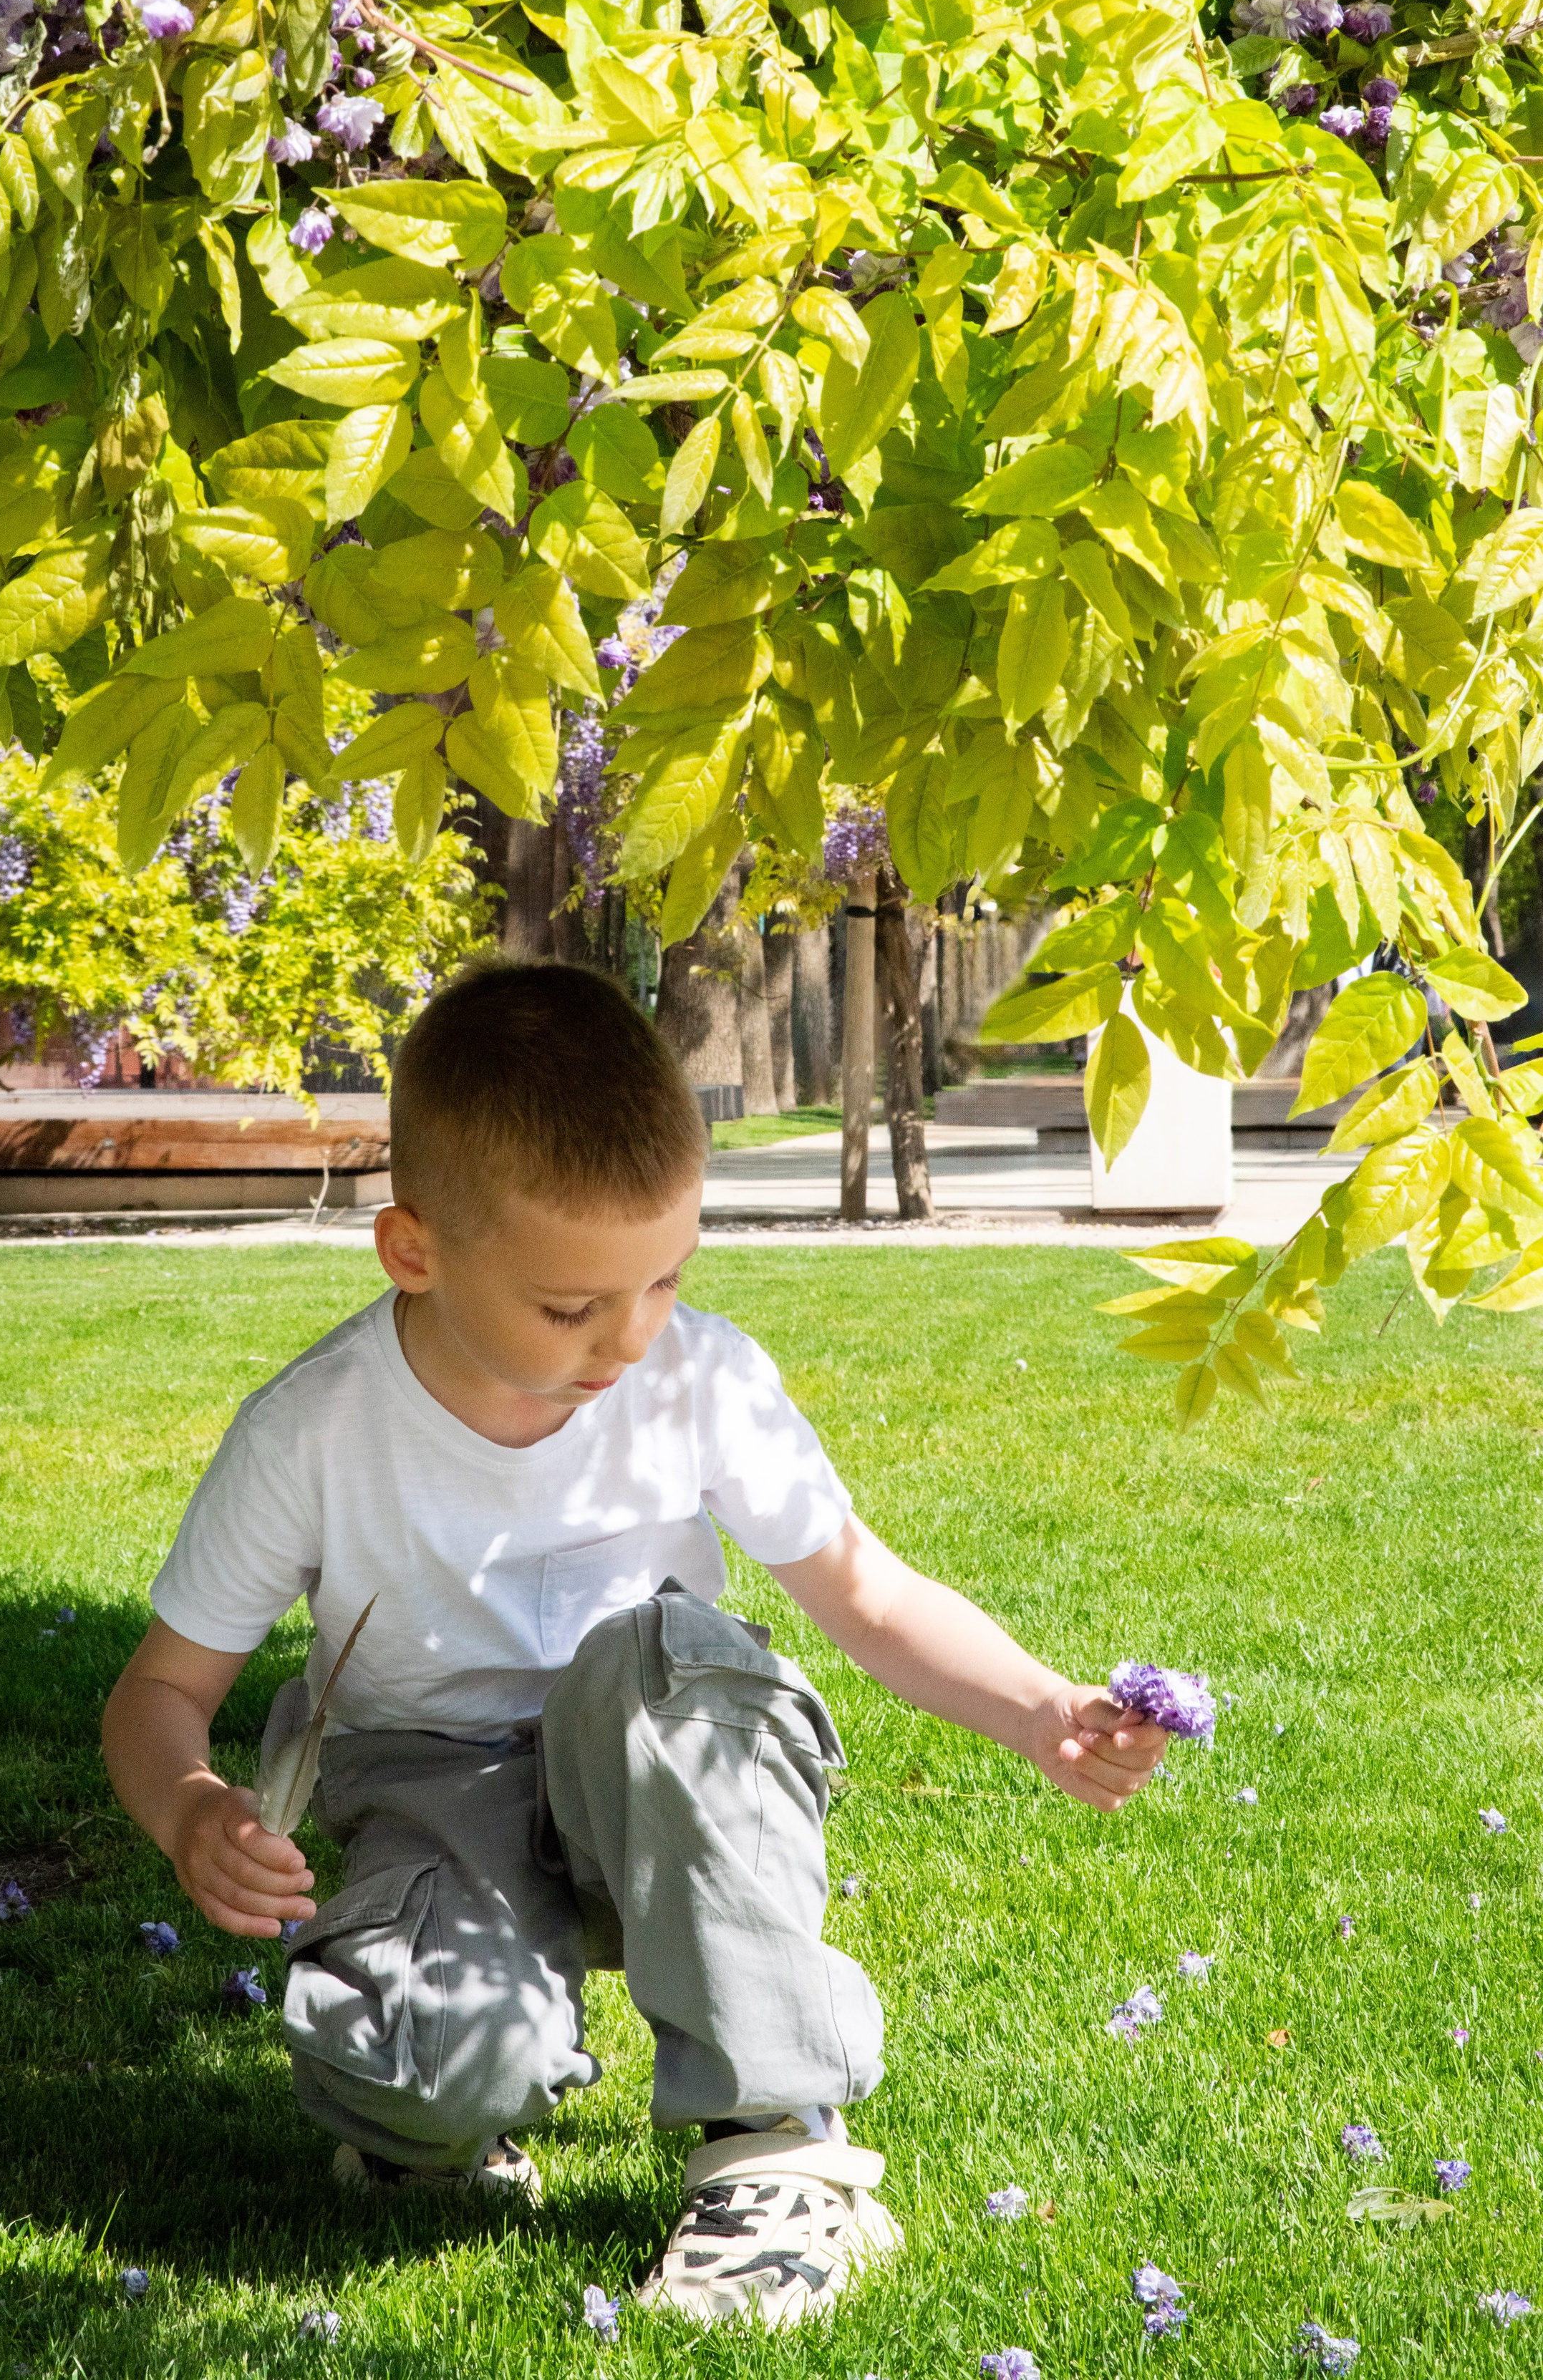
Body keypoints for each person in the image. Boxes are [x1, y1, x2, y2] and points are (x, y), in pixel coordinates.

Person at [102, 959, 1171, 2326]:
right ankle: (444, 2118)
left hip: (660, 1758)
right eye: (572, 1308)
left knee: (661, 1656)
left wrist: (1037, 1704)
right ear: (413, 1249)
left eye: (665, 1278)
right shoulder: (313, 1430)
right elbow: (162, 1691)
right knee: (421, 2087)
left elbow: (868, 1593)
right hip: (434, 1776)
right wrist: (191, 1806)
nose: (630, 1338)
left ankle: (783, 2152)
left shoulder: (698, 1379)